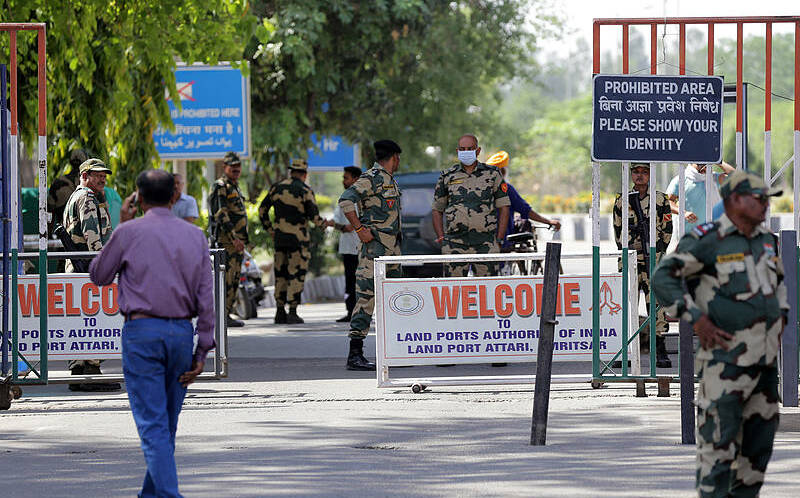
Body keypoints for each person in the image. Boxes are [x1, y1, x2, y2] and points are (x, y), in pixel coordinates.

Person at [652, 171, 787, 497]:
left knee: (756, 458)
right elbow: (663, 277)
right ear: (735, 200)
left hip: (765, 369)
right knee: (718, 455)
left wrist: (780, 318)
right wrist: (694, 317)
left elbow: (778, 285)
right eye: (759, 199)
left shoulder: (767, 241)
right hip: (725, 367)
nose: (766, 205)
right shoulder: (707, 239)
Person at [89, 169, 215, 498]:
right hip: (180, 335)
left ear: (139, 198)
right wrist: (203, 349)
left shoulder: (128, 232)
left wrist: (120, 224)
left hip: (142, 333)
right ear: (174, 197)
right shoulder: (195, 236)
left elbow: (99, 275)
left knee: (153, 425)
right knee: (166, 423)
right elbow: (206, 297)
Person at [338, 140, 403, 371]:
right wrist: (359, 229)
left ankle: (394, 352)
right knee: (366, 299)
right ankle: (355, 354)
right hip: (374, 252)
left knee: (394, 301)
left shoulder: (389, 179)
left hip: (392, 252)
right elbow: (346, 200)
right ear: (394, 157)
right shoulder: (372, 177)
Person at [63, 158, 119, 391]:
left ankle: (78, 371)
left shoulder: (76, 196)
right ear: (84, 175)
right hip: (88, 266)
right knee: (94, 318)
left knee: (80, 318)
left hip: (78, 266)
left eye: (104, 175)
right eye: (97, 175)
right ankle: (91, 371)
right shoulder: (87, 197)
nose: (102, 178)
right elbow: (92, 236)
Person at [612, 163, 673, 368]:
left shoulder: (660, 199)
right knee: (626, 304)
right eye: (636, 172)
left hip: (653, 259)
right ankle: (625, 350)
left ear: (650, 174)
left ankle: (660, 348)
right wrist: (628, 252)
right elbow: (618, 231)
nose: (640, 176)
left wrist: (657, 253)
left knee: (656, 303)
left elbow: (667, 230)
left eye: (644, 172)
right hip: (630, 259)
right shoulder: (622, 200)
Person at [259, 159, 332, 324]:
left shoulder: (276, 187)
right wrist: (325, 225)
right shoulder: (305, 190)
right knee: (296, 274)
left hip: (280, 239)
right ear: (304, 174)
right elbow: (314, 217)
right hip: (298, 241)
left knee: (280, 274)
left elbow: (262, 210)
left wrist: (270, 230)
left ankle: (279, 311)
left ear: (291, 172)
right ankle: (292, 311)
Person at [432, 134, 510, 277]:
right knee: (454, 288)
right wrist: (441, 238)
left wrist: (499, 239)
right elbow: (437, 209)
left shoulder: (492, 174)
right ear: (457, 151)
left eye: (470, 149)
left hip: (485, 243)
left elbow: (504, 207)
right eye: (462, 149)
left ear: (478, 151)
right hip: (454, 244)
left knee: (487, 287)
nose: (466, 152)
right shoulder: (447, 176)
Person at [485, 150, 561, 248]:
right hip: (500, 243)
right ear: (503, 172)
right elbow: (525, 210)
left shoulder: (478, 189)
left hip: (478, 243)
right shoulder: (506, 189)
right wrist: (548, 222)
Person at [208, 152, 248, 328]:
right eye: (232, 167)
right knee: (226, 280)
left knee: (234, 279)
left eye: (238, 166)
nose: (236, 169)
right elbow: (221, 214)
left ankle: (226, 315)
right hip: (227, 241)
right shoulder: (220, 186)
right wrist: (234, 238)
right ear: (225, 167)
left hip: (237, 243)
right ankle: (221, 316)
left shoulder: (235, 187)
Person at [666, 162, 735, 232]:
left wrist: (718, 161)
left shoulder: (715, 178)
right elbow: (667, 202)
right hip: (690, 233)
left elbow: (736, 177)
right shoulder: (681, 179)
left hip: (713, 233)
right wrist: (683, 213)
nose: (705, 166)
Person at [333, 166, 363, 323]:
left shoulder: (359, 198)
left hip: (358, 247)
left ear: (355, 179)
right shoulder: (344, 198)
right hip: (347, 247)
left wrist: (334, 225)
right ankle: (350, 311)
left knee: (359, 281)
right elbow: (339, 222)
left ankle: (359, 312)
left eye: (346, 178)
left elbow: (351, 226)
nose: (343, 181)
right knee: (349, 281)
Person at [48, 148, 88, 234]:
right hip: (85, 234)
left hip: (63, 234)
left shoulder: (57, 183)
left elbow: (49, 211)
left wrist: (48, 235)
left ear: (70, 162)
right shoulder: (89, 183)